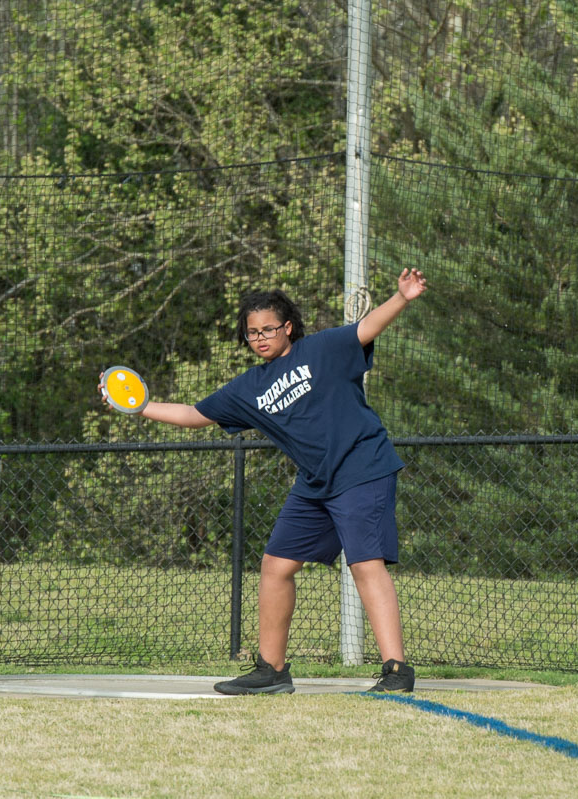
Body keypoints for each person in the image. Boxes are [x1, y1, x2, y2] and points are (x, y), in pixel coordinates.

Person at [105, 268, 427, 694]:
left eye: (268, 329)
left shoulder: (323, 349)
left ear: (288, 327)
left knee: (365, 563)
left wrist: (402, 297)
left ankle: (397, 671)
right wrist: (137, 406)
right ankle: (272, 672)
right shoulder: (247, 388)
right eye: (252, 332)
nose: (260, 337)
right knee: (275, 566)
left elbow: (367, 327)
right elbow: (193, 415)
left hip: (362, 467)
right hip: (315, 483)